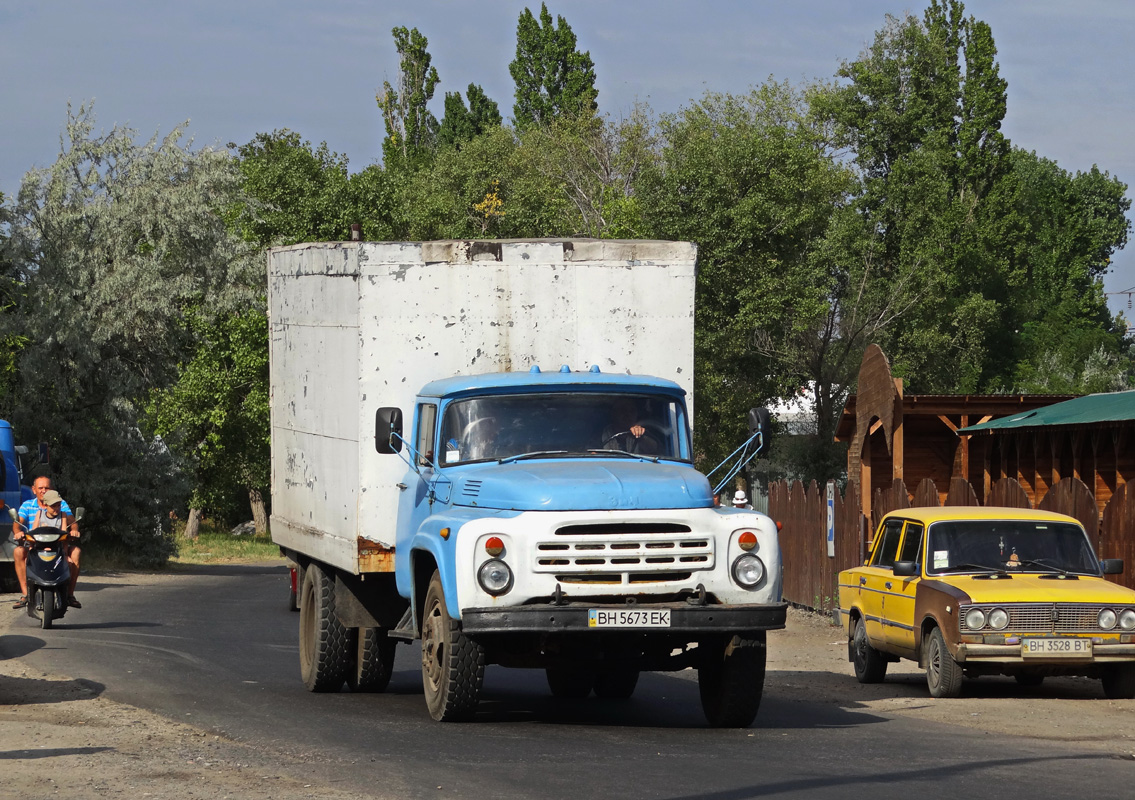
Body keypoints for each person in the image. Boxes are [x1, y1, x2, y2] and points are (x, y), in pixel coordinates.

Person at [12, 476, 81, 610]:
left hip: (58, 546)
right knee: (18, 551)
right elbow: (17, 524)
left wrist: (74, 531)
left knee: (76, 552)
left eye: (47, 488)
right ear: (34, 490)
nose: (43, 491)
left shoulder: (62, 508)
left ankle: (69, 595)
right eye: (40, 488)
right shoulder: (28, 506)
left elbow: (72, 524)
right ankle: (26, 594)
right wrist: (18, 532)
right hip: (36, 546)